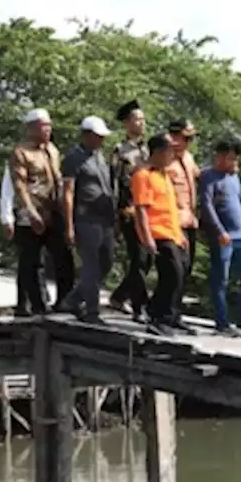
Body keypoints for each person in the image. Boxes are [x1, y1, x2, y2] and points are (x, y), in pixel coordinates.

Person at [9, 108, 73, 314]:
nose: (47, 129)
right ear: (31, 128)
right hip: (33, 211)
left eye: (49, 125)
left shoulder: (52, 150)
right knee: (32, 261)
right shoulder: (21, 152)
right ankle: (37, 305)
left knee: (63, 256)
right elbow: (20, 186)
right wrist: (30, 212)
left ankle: (64, 300)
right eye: (43, 126)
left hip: (54, 210)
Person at [199, 138, 241, 336]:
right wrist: (219, 231)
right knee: (221, 279)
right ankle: (222, 321)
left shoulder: (234, 177)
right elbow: (207, 206)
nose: (235, 163)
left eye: (236, 159)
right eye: (231, 159)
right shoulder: (209, 177)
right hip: (223, 236)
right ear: (220, 157)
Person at [57, 116, 115, 323]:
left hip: (105, 218)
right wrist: (69, 225)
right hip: (86, 218)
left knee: (107, 262)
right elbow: (68, 192)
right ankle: (92, 311)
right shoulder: (73, 158)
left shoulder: (100, 156)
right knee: (91, 266)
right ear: (87, 135)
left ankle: (73, 299)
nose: (101, 141)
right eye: (98, 137)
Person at [132, 135, 192, 335]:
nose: (172, 156)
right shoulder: (143, 175)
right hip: (157, 232)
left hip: (172, 232)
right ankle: (158, 317)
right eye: (169, 152)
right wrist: (146, 237)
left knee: (181, 272)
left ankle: (172, 315)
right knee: (172, 273)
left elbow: (171, 208)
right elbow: (140, 209)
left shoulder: (164, 175)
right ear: (158, 152)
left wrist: (180, 234)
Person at [108, 99, 150, 319]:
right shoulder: (120, 150)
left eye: (143, 119)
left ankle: (119, 295)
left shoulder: (149, 148)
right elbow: (114, 183)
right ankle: (139, 306)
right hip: (129, 210)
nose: (141, 124)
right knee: (139, 257)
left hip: (150, 210)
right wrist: (116, 213)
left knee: (148, 259)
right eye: (137, 120)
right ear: (127, 123)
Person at [166, 118, 202, 270]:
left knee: (187, 267)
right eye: (186, 138)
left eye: (191, 138)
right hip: (173, 220)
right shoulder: (164, 159)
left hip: (190, 220)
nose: (189, 142)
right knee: (177, 268)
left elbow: (198, 175)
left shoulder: (188, 157)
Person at [0, 167, 32, 316]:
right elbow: (7, 191)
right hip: (24, 216)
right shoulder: (19, 158)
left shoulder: (49, 153)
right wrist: (7, 219)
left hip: (45, 215)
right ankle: (24, 303)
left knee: (39, 262)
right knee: (27, 261)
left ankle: (39, 300)